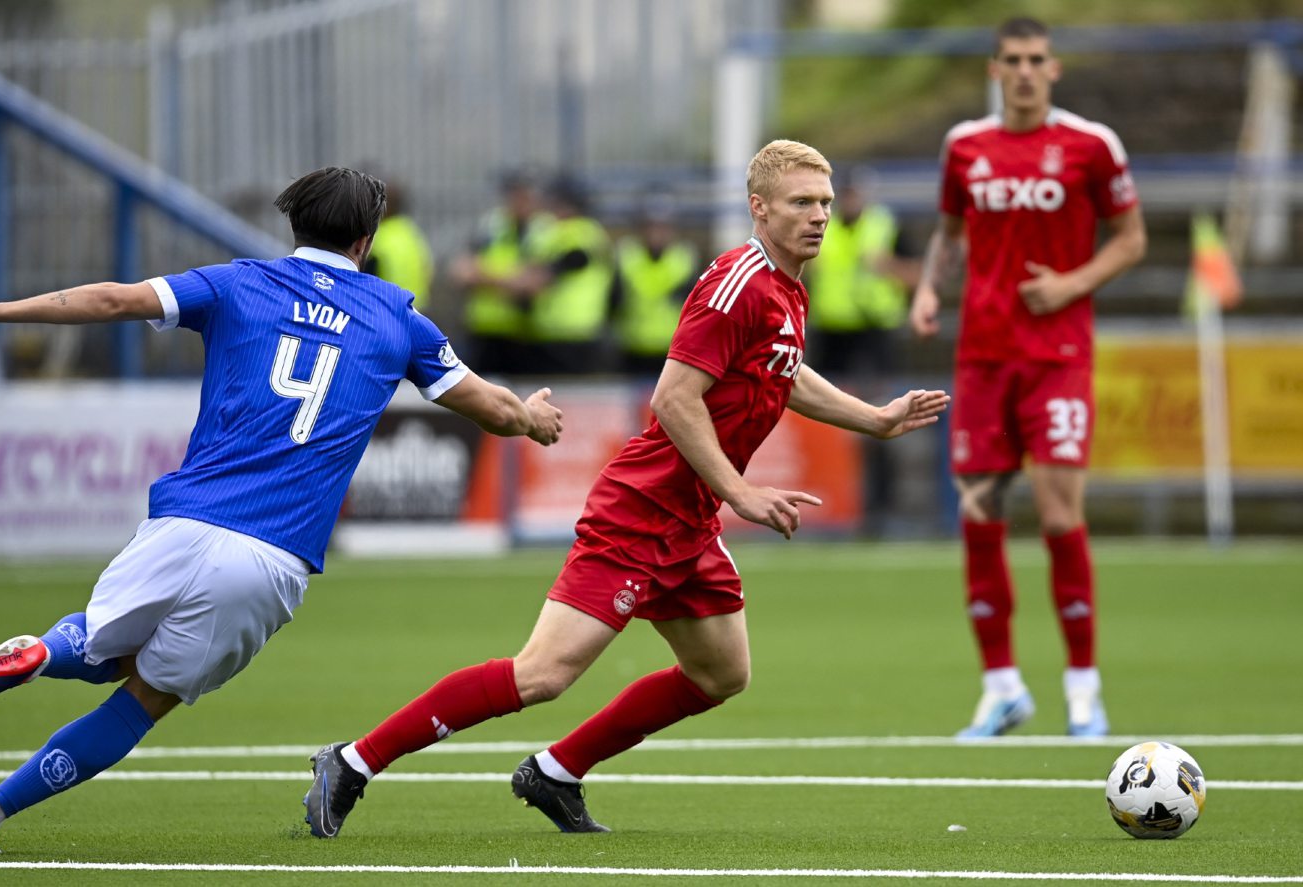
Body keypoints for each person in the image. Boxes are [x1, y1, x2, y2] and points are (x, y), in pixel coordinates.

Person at [303, 140, 949, 837]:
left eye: (823, 202)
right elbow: (674, 399)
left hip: (689, 518)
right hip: (642, 510)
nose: (819, 215)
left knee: (721, 672)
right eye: (801, 202)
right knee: (542, 674)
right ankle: (352, 761)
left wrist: (875, 419)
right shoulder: (738, 283)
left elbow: (785, 370)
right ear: (759, 208)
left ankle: (556, 772)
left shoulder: (786, 285)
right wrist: (739, 490)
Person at [0, 167, 564, 856]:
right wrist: (532, 417)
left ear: (295, 226)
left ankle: (39, 651)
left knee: (97, 647)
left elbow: (112, 301)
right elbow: (492, 408)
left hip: (185, 520)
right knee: (142, 697)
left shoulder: (233, 283)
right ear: (366, 240)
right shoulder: (398, 319)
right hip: (271, 556)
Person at [909, 17, 1147, 739]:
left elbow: (1132, 239)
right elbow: (949, 235)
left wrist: (1072, 282)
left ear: (1054, 69)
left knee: (1056, 514)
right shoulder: (965, 147)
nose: (1023, 71)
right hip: (981, 360)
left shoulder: (1091, 144)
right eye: (1011, 60)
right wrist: (927, 290)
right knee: (979, 513)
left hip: (1057, 357)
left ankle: (1083, 688)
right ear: (994, 69)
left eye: (1035, 60)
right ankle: (1002, 686)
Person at [805, 166, 920, 535]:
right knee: (825, 423)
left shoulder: (886, 225)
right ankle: (829, 507)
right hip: (833, 335)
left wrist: (887, 267)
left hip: (875, 337)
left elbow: (918, 275)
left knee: (879, 419)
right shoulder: (820, 225)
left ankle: (879, 510)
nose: (850, 201)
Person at [450, 169, 549, 376]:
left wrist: (484, 277)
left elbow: (533, 283)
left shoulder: (544, 230)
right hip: (483, 331)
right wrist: (511, 281)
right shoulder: (492, 225)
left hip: (526, 334)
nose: (519, 201)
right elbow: (461, 271)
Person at [512, 176, 614, 375]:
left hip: (575, 337)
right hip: (548, 334)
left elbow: (551, 271)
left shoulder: (584, 232)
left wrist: (488, 277)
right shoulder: (551, 232)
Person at [611, 193, 698, 378]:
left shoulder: (686, 258)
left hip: (675, 353)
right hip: (632, 349)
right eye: (650, 227)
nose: (656, 233)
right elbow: (613, 302)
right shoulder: (626, 255)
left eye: (663, 227)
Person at [361, 177, 434, 311]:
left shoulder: (377, 239)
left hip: (386, 312)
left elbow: (365, 281)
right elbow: (427, 269)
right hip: (416, 313)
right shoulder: (412, 232)